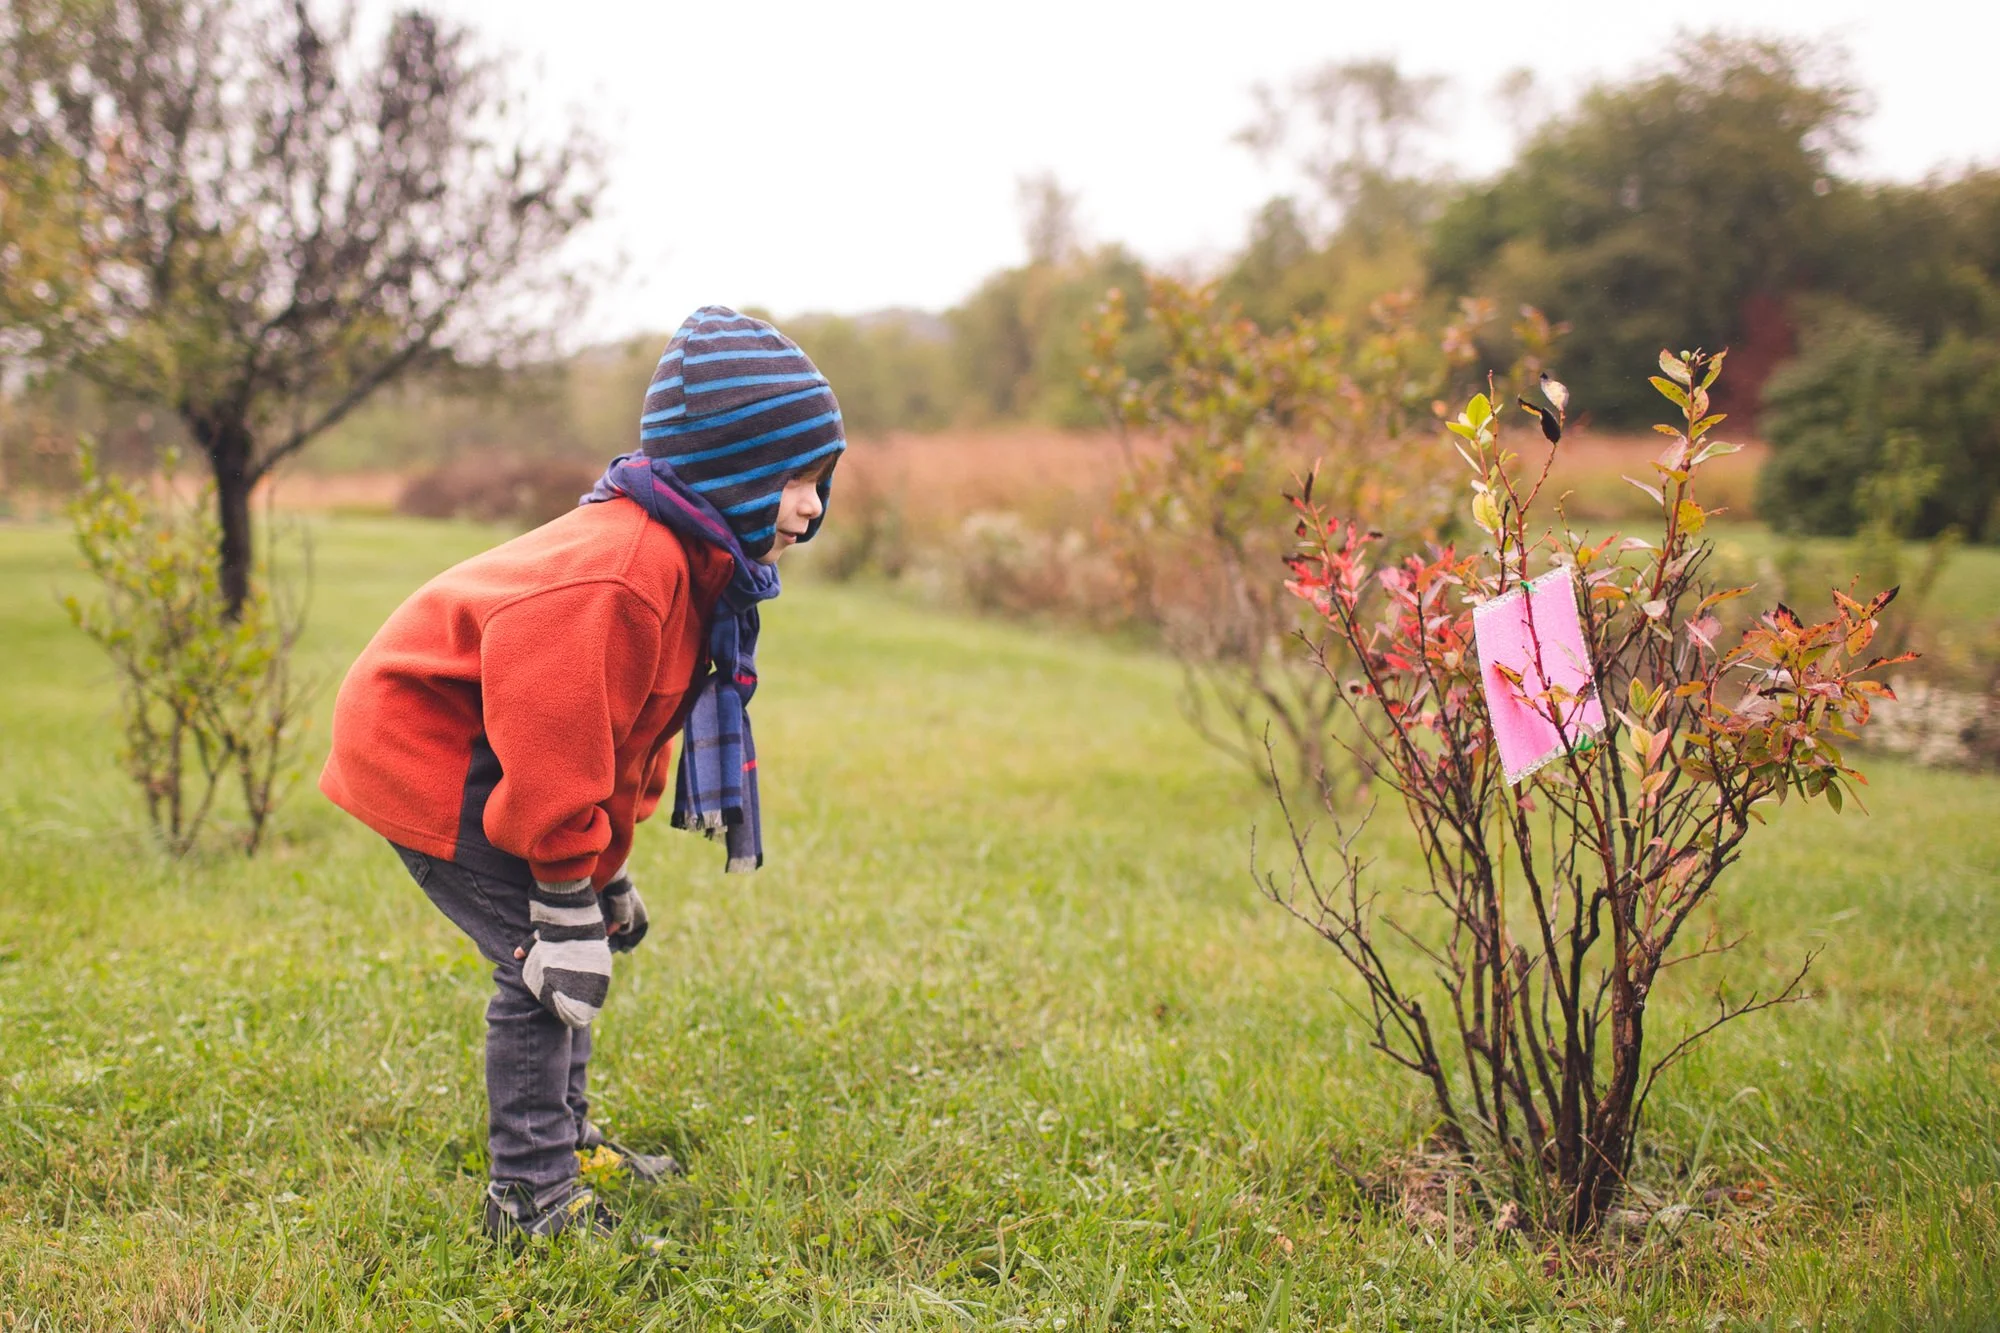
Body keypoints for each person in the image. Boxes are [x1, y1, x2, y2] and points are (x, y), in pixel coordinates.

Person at [318, 306, 843, 1240]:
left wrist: (603, 875)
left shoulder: (691, 568)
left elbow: (629, 736)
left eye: (820, 479)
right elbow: (556, 732)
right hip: (434, 748)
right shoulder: (627, 571)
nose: (811, 506)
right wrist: (561, 896)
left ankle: (562, 1143)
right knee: (541, 964)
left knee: (574, 944)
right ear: (728, 470)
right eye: (793, 479)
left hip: (503, 752)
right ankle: (530, 1198)